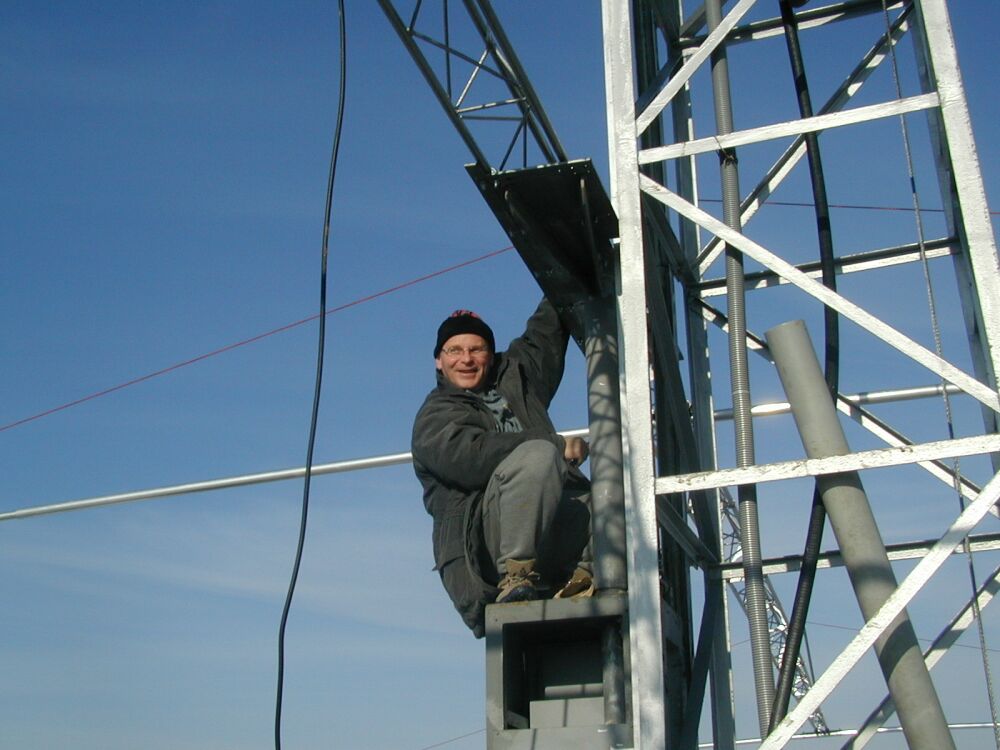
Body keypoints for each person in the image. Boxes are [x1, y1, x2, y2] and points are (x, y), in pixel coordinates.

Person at [411, 298, 594, 638]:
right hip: (484, 551)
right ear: (439, 360)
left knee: (613, 491)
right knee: (537, 455)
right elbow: (471, 458)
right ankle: (516, 575)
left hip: (548, 532)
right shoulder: (435, 416)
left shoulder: (517, 380)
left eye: (476, 349)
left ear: (490, 356)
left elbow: (546, 329)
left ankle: (586, 574)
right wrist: (555, 445)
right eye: (454, 350)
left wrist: (569, 276)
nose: (466, 359)